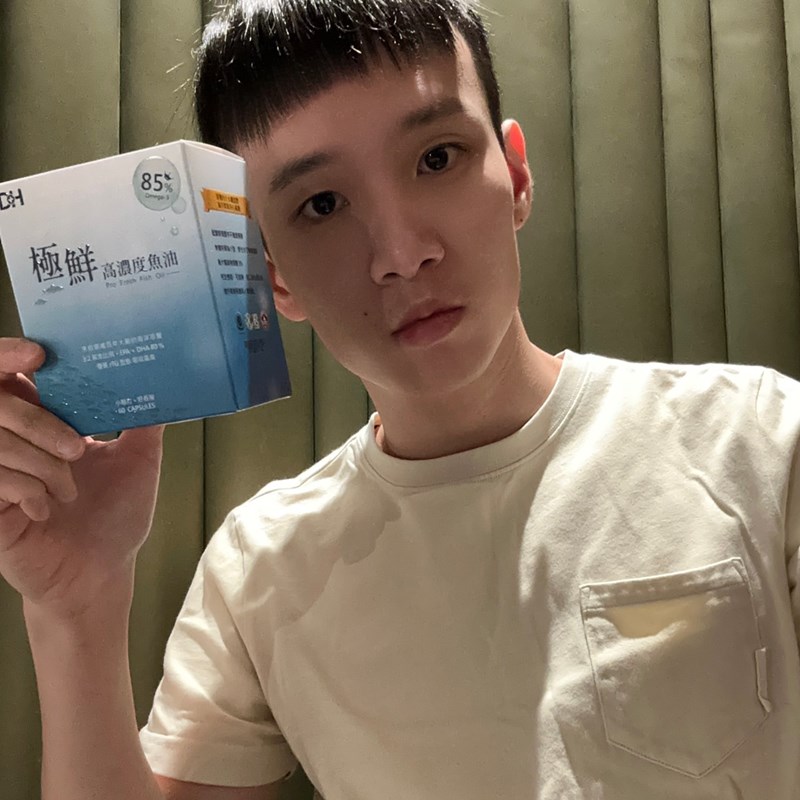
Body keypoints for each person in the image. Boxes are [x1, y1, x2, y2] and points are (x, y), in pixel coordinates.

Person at [0, 0, 798, 798]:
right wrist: (78, 609)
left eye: (438, 158)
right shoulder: (260, 570)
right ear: (271, 276)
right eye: (321, 205)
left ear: (516, 175)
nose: (401, 253)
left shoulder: (762, 442)